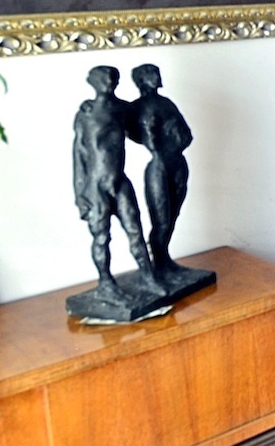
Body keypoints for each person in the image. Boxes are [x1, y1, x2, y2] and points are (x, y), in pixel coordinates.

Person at [73, 66, 159, 304]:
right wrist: (80, 195)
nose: (110, 81)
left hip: (119, 182)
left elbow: (143, 120)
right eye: (104, 78)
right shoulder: (86, 114)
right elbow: (79, 155)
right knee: (101, 237)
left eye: (113, 77)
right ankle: (106, 283)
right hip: (96, 186)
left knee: (135, 231)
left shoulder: (123, 109)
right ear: (93, 82)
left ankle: (148, 276)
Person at [127, 63, 193, 287]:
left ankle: (165, 261)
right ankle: (159, 264)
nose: (156, 77)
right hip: (159, 166)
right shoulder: (134, 108)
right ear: (141, 80)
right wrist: (152, 133)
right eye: (151, 74)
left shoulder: (166, 103)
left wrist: (174, 133)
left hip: (177, 162)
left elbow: (188, 135)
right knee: (161, 219)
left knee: (173, 215)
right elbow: (132, 132)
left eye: (156, 73)